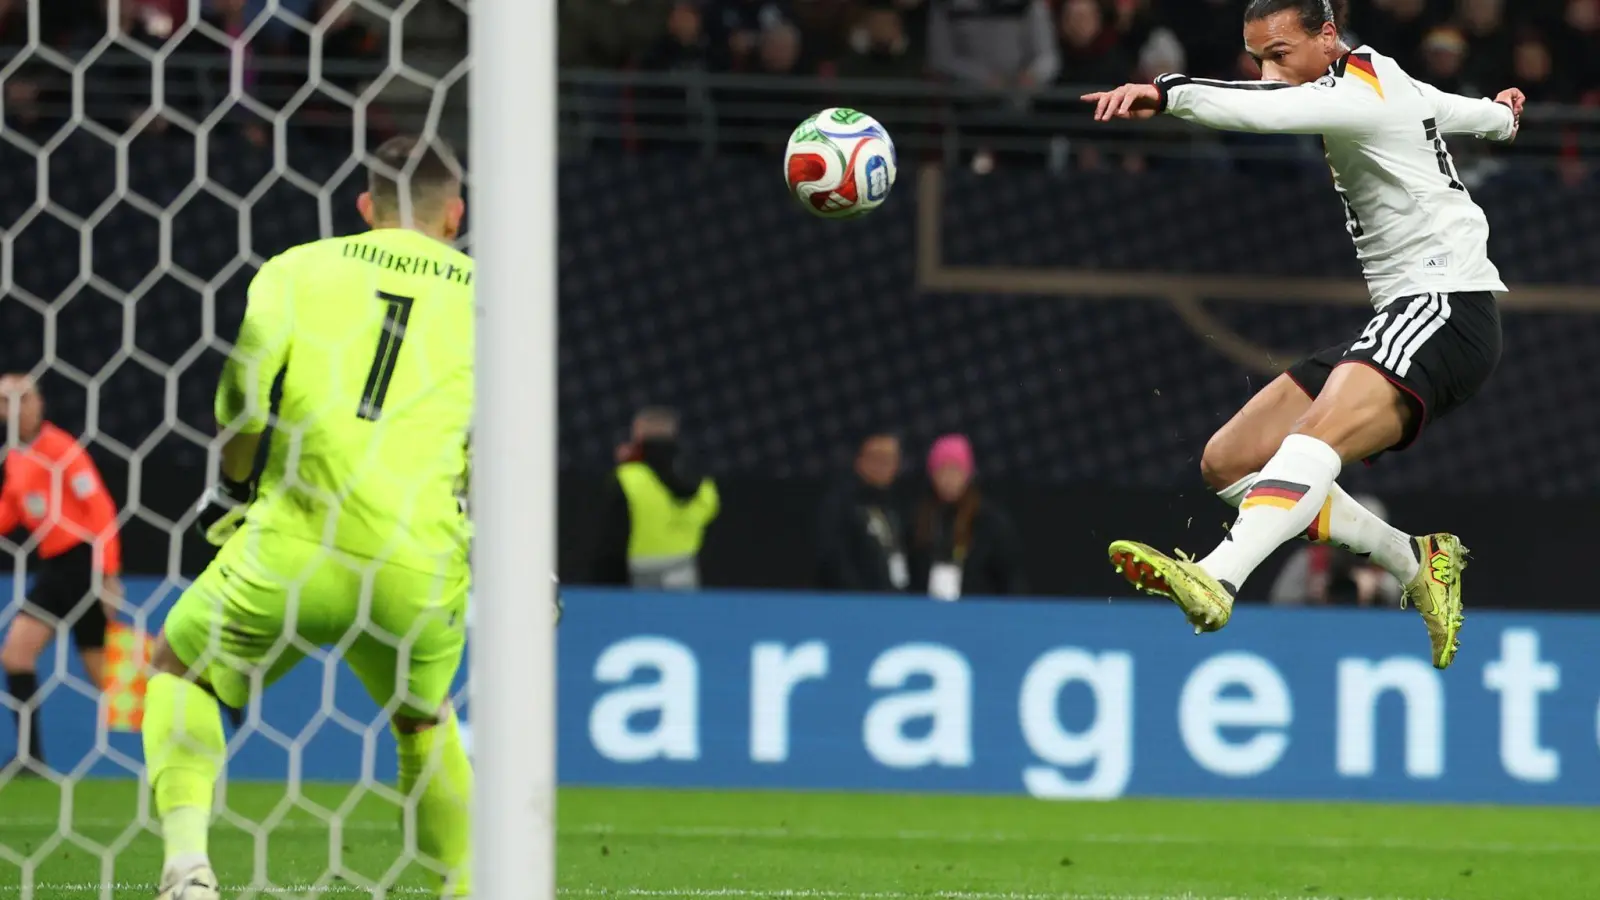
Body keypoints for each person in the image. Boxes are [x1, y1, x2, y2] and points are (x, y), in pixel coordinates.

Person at [1082, 0, 1525, 670]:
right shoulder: (1381, 75)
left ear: (1326, 37)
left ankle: (1220, 575)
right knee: (1230, 460)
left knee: (1309, 442)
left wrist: (1167, 92)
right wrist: (1503, 116)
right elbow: (1452, 109)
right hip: (1404, 316)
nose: (1266, 72)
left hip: (1445, 308)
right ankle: (1415, 559)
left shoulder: (1353, 92)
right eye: (1257, 57)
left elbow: (1260, 112)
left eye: (1279, 54)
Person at [143, 135, 475, 900]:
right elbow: (497, 439)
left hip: (294, 541)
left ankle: (188, 869)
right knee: (424, 722)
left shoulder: (299, 267)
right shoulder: (489, 292)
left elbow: (243, 396)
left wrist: (229, 491)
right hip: (415, 561)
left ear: (364, 208)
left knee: (179, 667)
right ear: (454, 214)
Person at [0, 374, 123, 772]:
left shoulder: (61, 448)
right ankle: (29, 759)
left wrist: (107, 573)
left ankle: (190, 703)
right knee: (16, 655)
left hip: (81, 564)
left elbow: (100, 509)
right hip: (54, 568)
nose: (15, 408)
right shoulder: (16, 457)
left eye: (22, 398)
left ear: (38, 404)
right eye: (5, 401)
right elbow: (11, 513)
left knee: (107, 678)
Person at [586, 407, 720, 590]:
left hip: (635, 581)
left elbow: (610, 546)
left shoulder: (627, 478)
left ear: (638, 435)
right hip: (685, 575)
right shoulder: (704, 484)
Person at [909, 435, 1026, 600]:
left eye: (956, 470)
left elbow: (1010, 577)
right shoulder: (919, 519)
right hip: (926, 614)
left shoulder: (989, 521)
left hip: (978, 615)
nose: (949, 479)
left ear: (968, 474)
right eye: (942, 470)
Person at [816, 430, 910, 592]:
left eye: (890, 459)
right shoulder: (840, 504)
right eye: (877, 458)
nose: (883, 465)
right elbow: (833, 559)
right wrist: (859, 597)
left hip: (895, 604)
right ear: (860, 461)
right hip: (854, 604)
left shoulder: (896, 506)